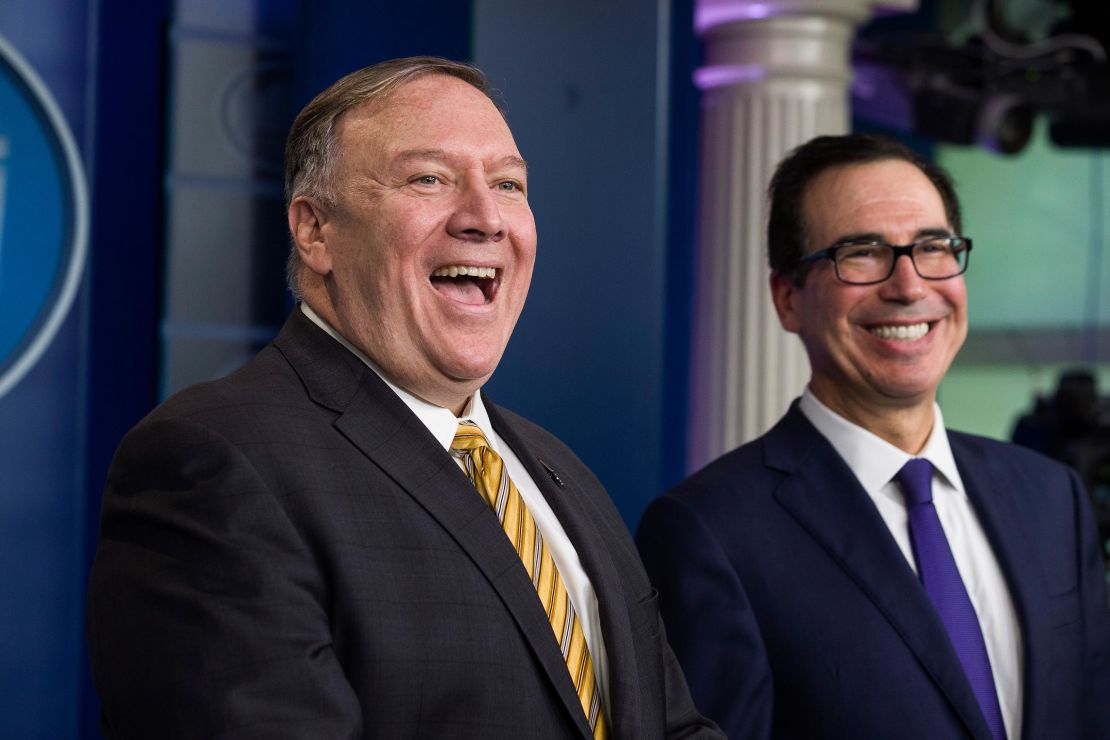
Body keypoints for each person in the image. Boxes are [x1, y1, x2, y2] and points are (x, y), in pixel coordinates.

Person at [87, 56, 721, 740]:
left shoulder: (558, 470)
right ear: (315, 230)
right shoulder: (211, 460)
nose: (485, 218)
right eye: (429, 179)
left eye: (508, 184)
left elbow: (672, 726)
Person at [637, 134, 1110, 739]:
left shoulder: (1051, 498)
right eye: (861, 252)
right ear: (788, 299)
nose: (910, 286)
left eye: (933, 247)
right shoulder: (709, 534)